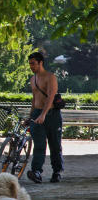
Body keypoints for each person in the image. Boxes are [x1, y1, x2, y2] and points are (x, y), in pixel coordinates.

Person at [26, 52, 64, 184]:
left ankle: (57, 171)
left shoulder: (50, 77)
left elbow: (50, 97)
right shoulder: (32, 79)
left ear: (40, 62)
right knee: (39, 145)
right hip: (37, 114)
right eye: (30, 64)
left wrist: (43, 114)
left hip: (51, 115)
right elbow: (34, 99)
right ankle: (36, 171)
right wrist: (30, 116)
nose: (31, 66)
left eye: (33, 63)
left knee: (55, 144)